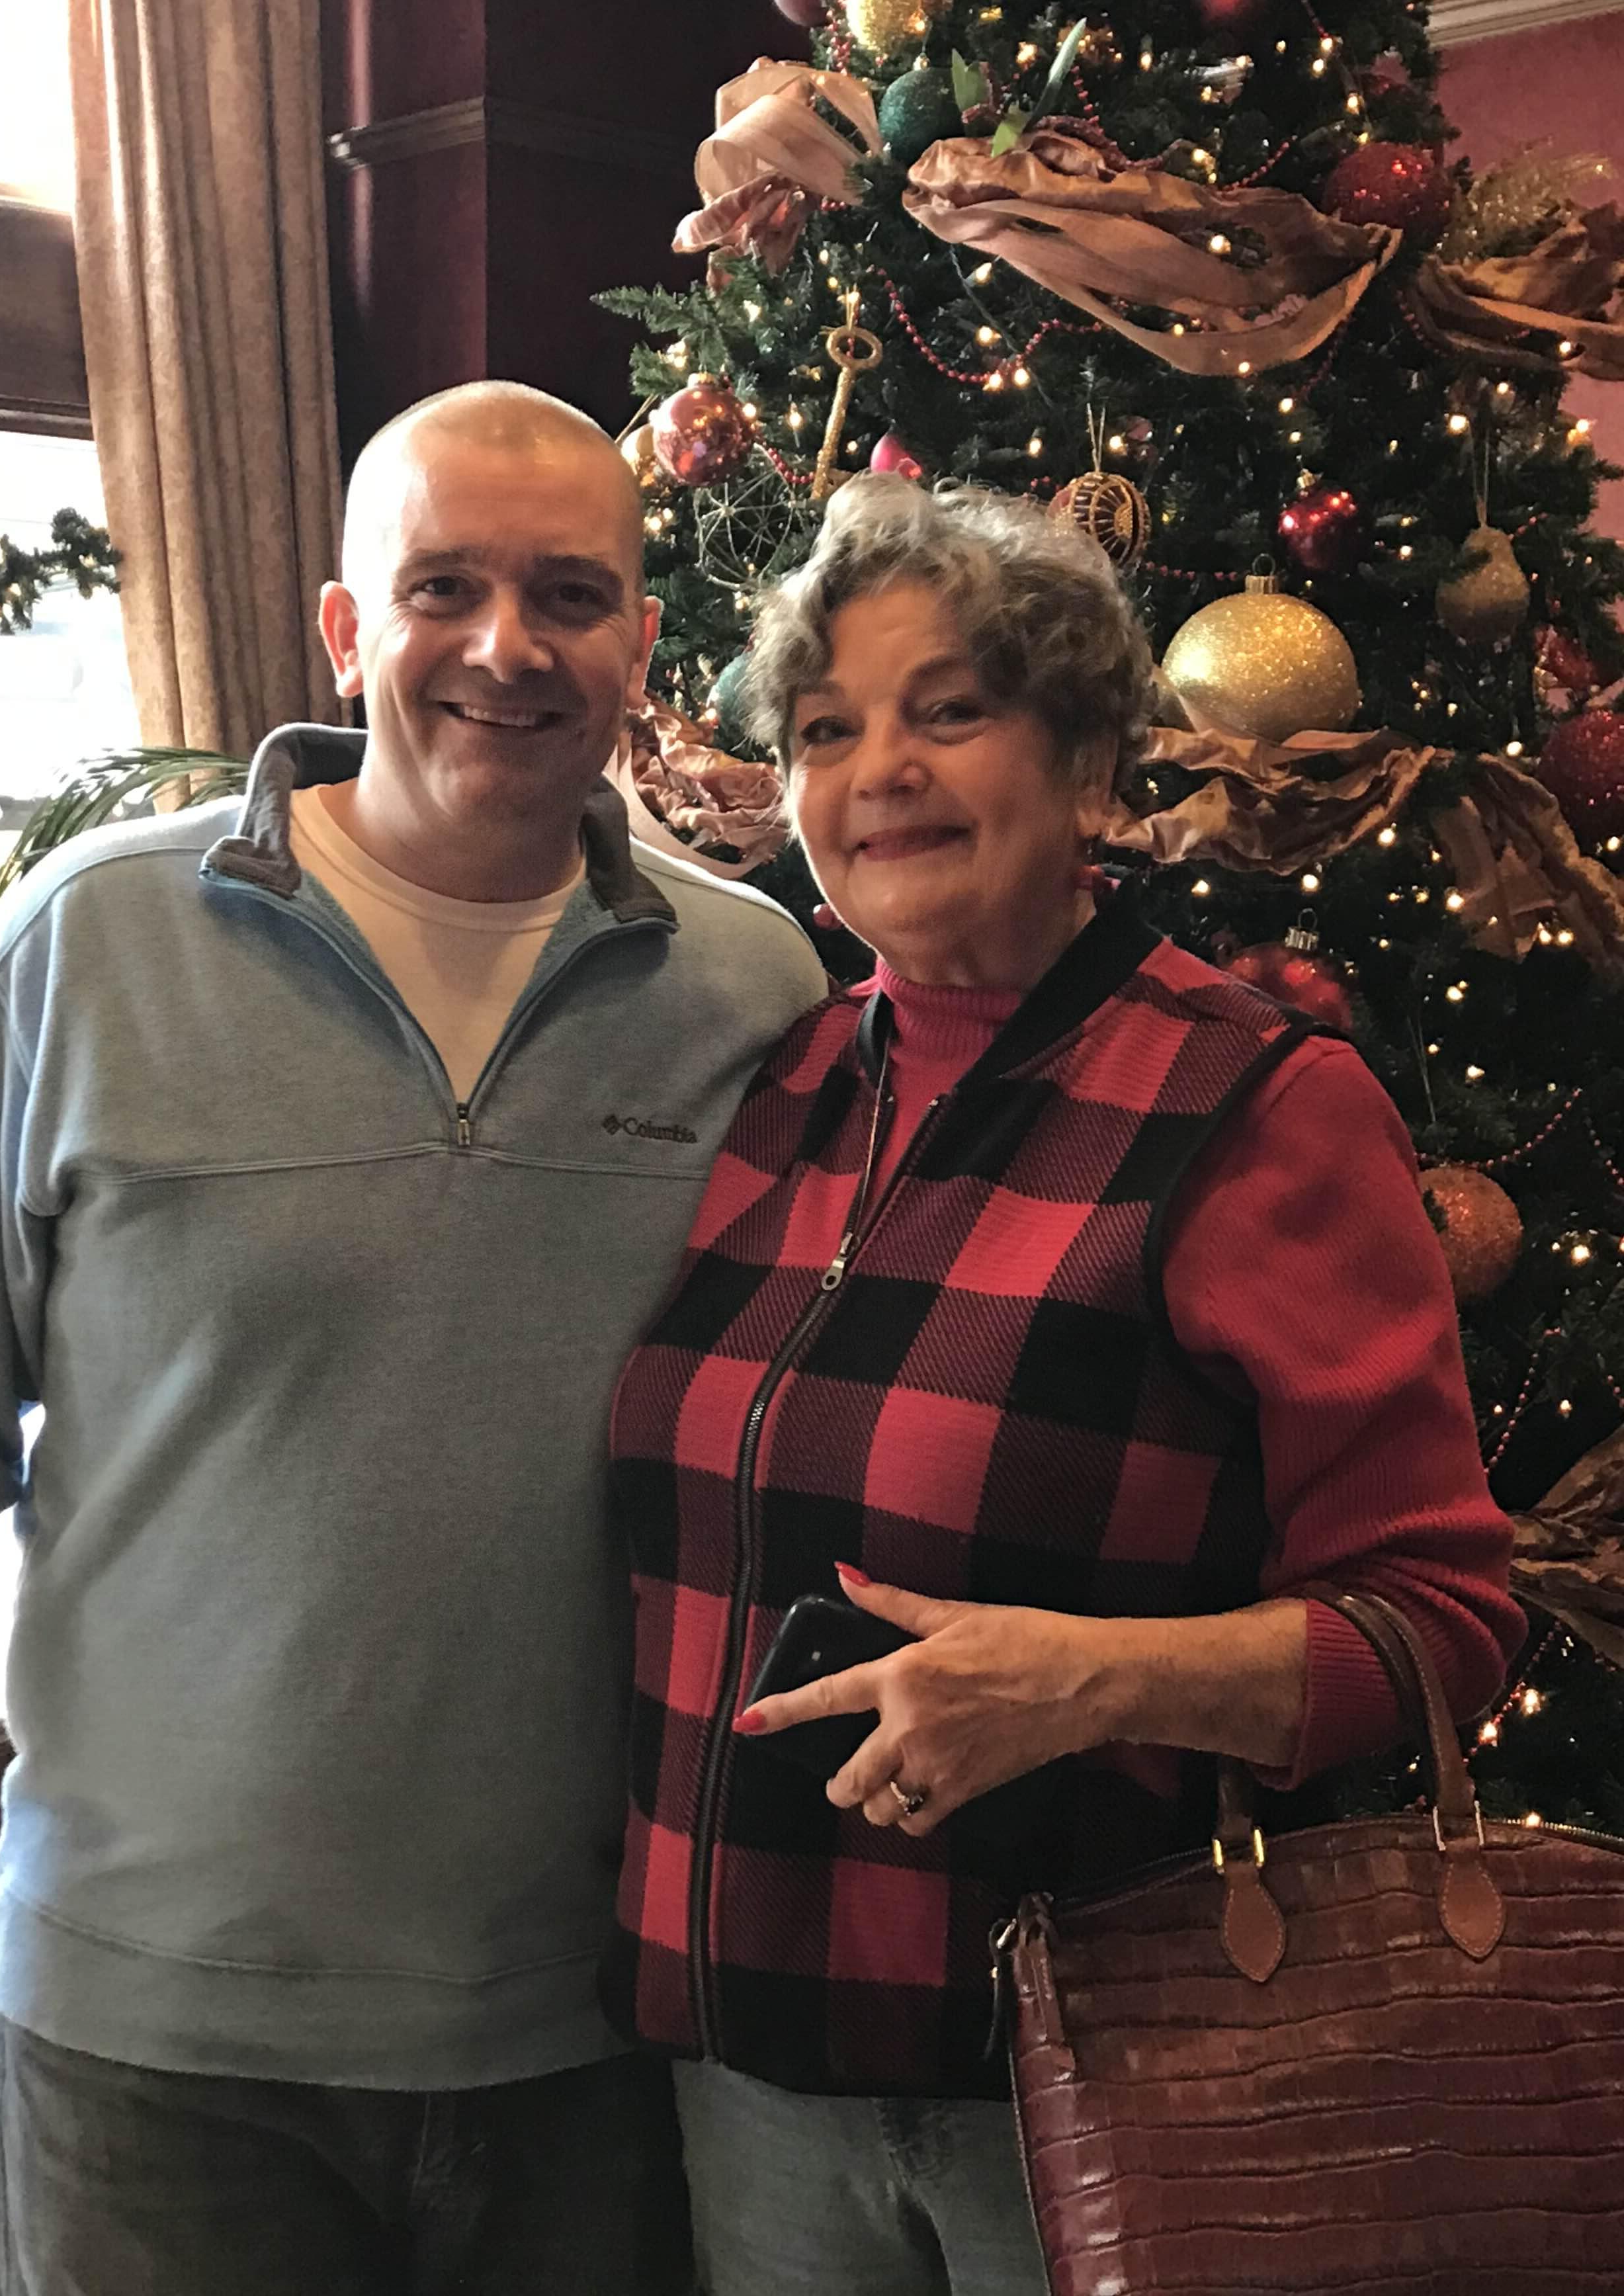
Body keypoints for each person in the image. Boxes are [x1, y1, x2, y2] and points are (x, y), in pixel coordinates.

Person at [0, 382, 826, 2295]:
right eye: (444, 588)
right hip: (152, 2051)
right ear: (345, 628)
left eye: (571, 594)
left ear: (643, 644)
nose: (508, 647)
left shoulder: (756, 983)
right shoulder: (95, 946)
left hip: (598, 2035)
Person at [604, 476, 1524, 2296]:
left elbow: (1444, 1622)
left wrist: (1097, 1678)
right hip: (748, 2067)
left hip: (1094, 2083)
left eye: (951, 711)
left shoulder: (1257, 1105)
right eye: (825, 729)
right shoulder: (784, 1082)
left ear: (1092, 765)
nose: (881, 770)